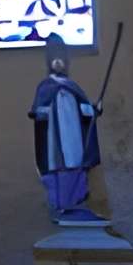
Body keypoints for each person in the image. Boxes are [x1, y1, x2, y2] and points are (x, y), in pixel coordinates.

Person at [30, 41, 100, 222]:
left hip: (73, 135)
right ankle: (61, 206)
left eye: (61, 59)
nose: (58, 62)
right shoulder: (45, 87)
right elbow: (39, 112)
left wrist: (94, 109)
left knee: (76, 164)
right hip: (54, 137)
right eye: (54, 59)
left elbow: (85, 111)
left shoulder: (73, 87)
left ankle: (77, 203)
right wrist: (41, 112)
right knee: (58, 167)